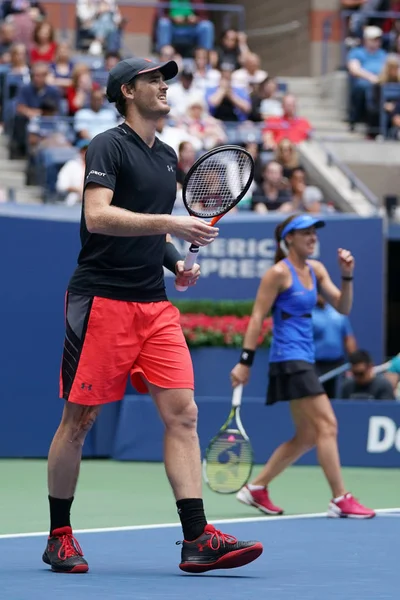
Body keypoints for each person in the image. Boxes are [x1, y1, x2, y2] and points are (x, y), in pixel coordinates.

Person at [42, 55, 263, 575]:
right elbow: (98, 216)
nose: (164, 86)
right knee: (79, 421)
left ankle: (196, 538)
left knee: (183, 413)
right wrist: (171, 223)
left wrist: (175, 260)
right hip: (101, 301)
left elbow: (156, 232)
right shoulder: (106, 145)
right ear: (125, 91)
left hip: (154, 306)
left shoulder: (166, 156)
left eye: (165, 80)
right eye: (152, 80)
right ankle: (59, 535)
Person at [230, 213, 375, 519]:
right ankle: (340, 497)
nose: (313, 238)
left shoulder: (317, 269)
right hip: (288, 359)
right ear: (289, 240)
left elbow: (343, 306)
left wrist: (347, 276)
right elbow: (257, 318)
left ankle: (256, 488)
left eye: (314, 233)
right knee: (328, 425)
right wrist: (245, 362)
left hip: (304, 358)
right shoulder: (278, 274)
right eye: (305, 233)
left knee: (309, 435)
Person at [313, 294, 357, 399]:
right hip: (315, 365)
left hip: (337, 364)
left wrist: (355, 361)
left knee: (335, 397)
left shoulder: (338, 313)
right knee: (315, 397)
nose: (320, 295)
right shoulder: (307, 314)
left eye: (321, 292)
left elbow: (348, 338)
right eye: (317, 292)